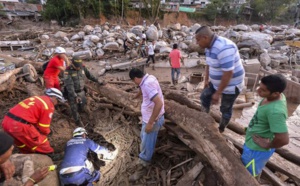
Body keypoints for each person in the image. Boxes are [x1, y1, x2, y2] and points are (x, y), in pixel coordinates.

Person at [195, 26, 245, 133]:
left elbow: (228, 73)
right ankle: (204, 120)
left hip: (231, 85)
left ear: (205, 37)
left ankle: (221, 129)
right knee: (204, 96)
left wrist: (218, 93)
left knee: (225, 108)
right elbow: (209, 64)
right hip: (215, 82)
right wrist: (206, 80)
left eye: (198, 40)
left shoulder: (224, 48)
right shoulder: (208, 47)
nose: (196, 43)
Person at [241, 74, 289, 178]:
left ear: (276, 94)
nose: (258, 91)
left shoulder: (275, 111)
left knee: (249, 173)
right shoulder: (274, 97)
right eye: (259, 87)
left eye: (263, 90)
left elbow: (284, 139)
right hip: (253, 143)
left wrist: (268, 145)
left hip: (256, 150)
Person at [2, 88, 65, 154]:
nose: (57, 103)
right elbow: (43, 127)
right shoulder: (48, 105)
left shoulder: (35, 98)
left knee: (22, 143)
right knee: (41, 141)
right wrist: (47, 132)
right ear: (54, 97)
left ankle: (27, 154)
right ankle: (51, 155)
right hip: (19, 126)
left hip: (7, 122)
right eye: (58, 100)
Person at [129, 68, 164, 181]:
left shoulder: (147, 84)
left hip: (152, 120)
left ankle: (144, 164)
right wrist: (137, 95)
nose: (134, 83)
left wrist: (150, 123)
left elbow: (158, 103)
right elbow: (142, 88)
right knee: (144, 139)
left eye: (133, 81)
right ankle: (142, 158)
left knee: (147, 144)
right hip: (148, 118)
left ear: (136, 78)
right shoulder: (148, 78)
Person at [64, 58, 104, 127]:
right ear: (72, 64)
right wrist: (75, 96)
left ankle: (82, 115)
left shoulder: (82, 68)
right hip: (72, 92)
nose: (78, 68)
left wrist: (97, 80)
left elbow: (89, 76)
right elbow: (69, 85)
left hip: (81, 91)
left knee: (82, 105)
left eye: (79, 67)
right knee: (74, 108)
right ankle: (77, 122)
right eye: (77, 67)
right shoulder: (67, 71)